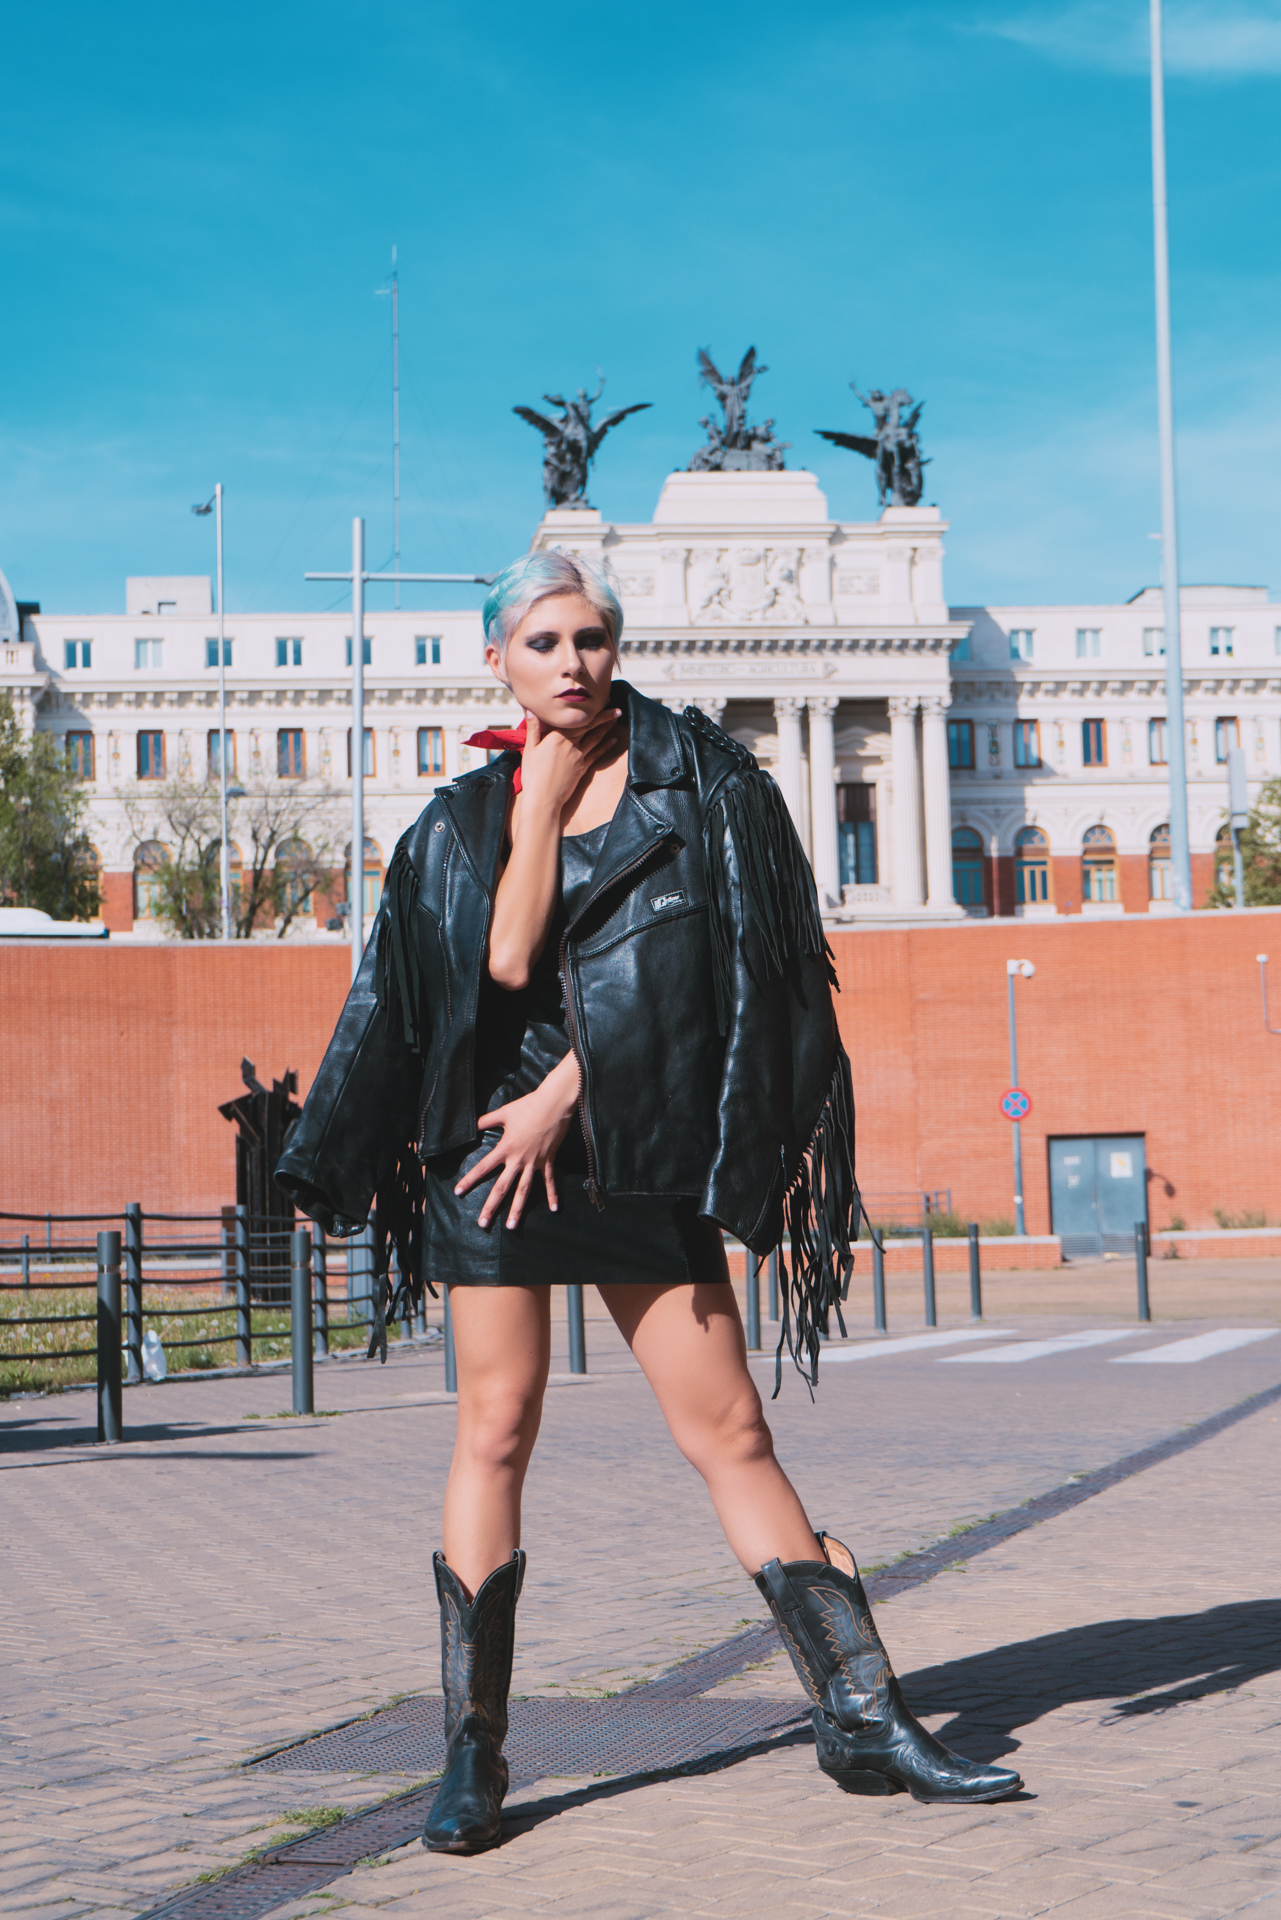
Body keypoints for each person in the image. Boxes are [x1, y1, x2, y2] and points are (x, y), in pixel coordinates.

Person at [276, 551, 1021, 1853]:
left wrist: (578, 1085)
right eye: (546, 640)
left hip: (641, 1146)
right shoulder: (459, 819)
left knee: (729, 1430)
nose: (574, 661)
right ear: (499, 660)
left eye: (594, 637)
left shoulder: (706, 788)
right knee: (495, 1431)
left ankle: (860, 1713)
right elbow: (492, 965)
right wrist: (537, 806)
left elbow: (737, 984)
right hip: (492, 1162)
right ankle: (473, 1753)